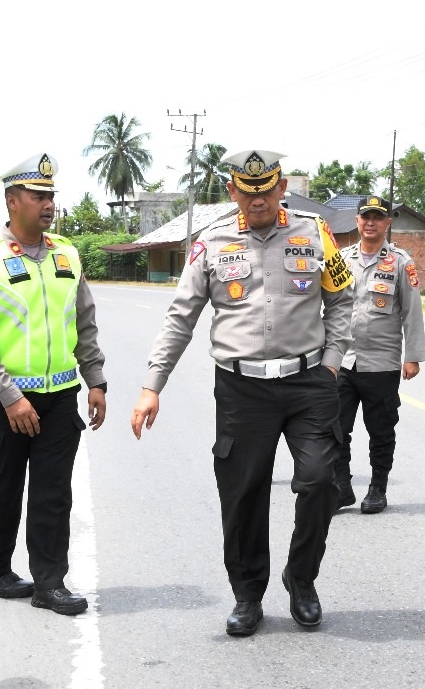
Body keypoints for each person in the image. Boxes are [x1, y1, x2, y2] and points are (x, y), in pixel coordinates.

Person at [131, 150, 354, 636]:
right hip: (240, 388)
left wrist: (333, 363)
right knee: (243, 492)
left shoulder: (315, 233)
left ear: (281, 189)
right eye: (247, 193)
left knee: (320, 480)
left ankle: (301, 578)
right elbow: (181, 317)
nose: (258, 201)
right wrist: (153, 385)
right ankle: (248, 595)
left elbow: (341, 300)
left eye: (266, 192)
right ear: (233, 192)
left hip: (308, 382)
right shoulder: (210, 244)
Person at [0, 153, 107, 617]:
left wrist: (95, 379)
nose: (48, 205)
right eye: (38, 196)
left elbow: (83, 320)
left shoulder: (68, 255)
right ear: (12, 200)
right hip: (3, 403)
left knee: (52, 492)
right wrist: (10, 396)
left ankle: (50, 582)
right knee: (2, 488)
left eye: (51, 197)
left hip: (60, 397)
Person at [333, 195, 425, 514]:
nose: (370, 222)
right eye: (365, 217)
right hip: (343, 359)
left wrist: (412, 356)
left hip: (382, 364)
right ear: (357, 221)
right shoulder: (342, 260)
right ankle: (341, 485)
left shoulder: (400, 262)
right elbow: (328, 305)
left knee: (381, 431)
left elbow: (412, 311)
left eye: (377, 217)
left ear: (388, 223)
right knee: (334, 427)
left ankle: (377, 487)